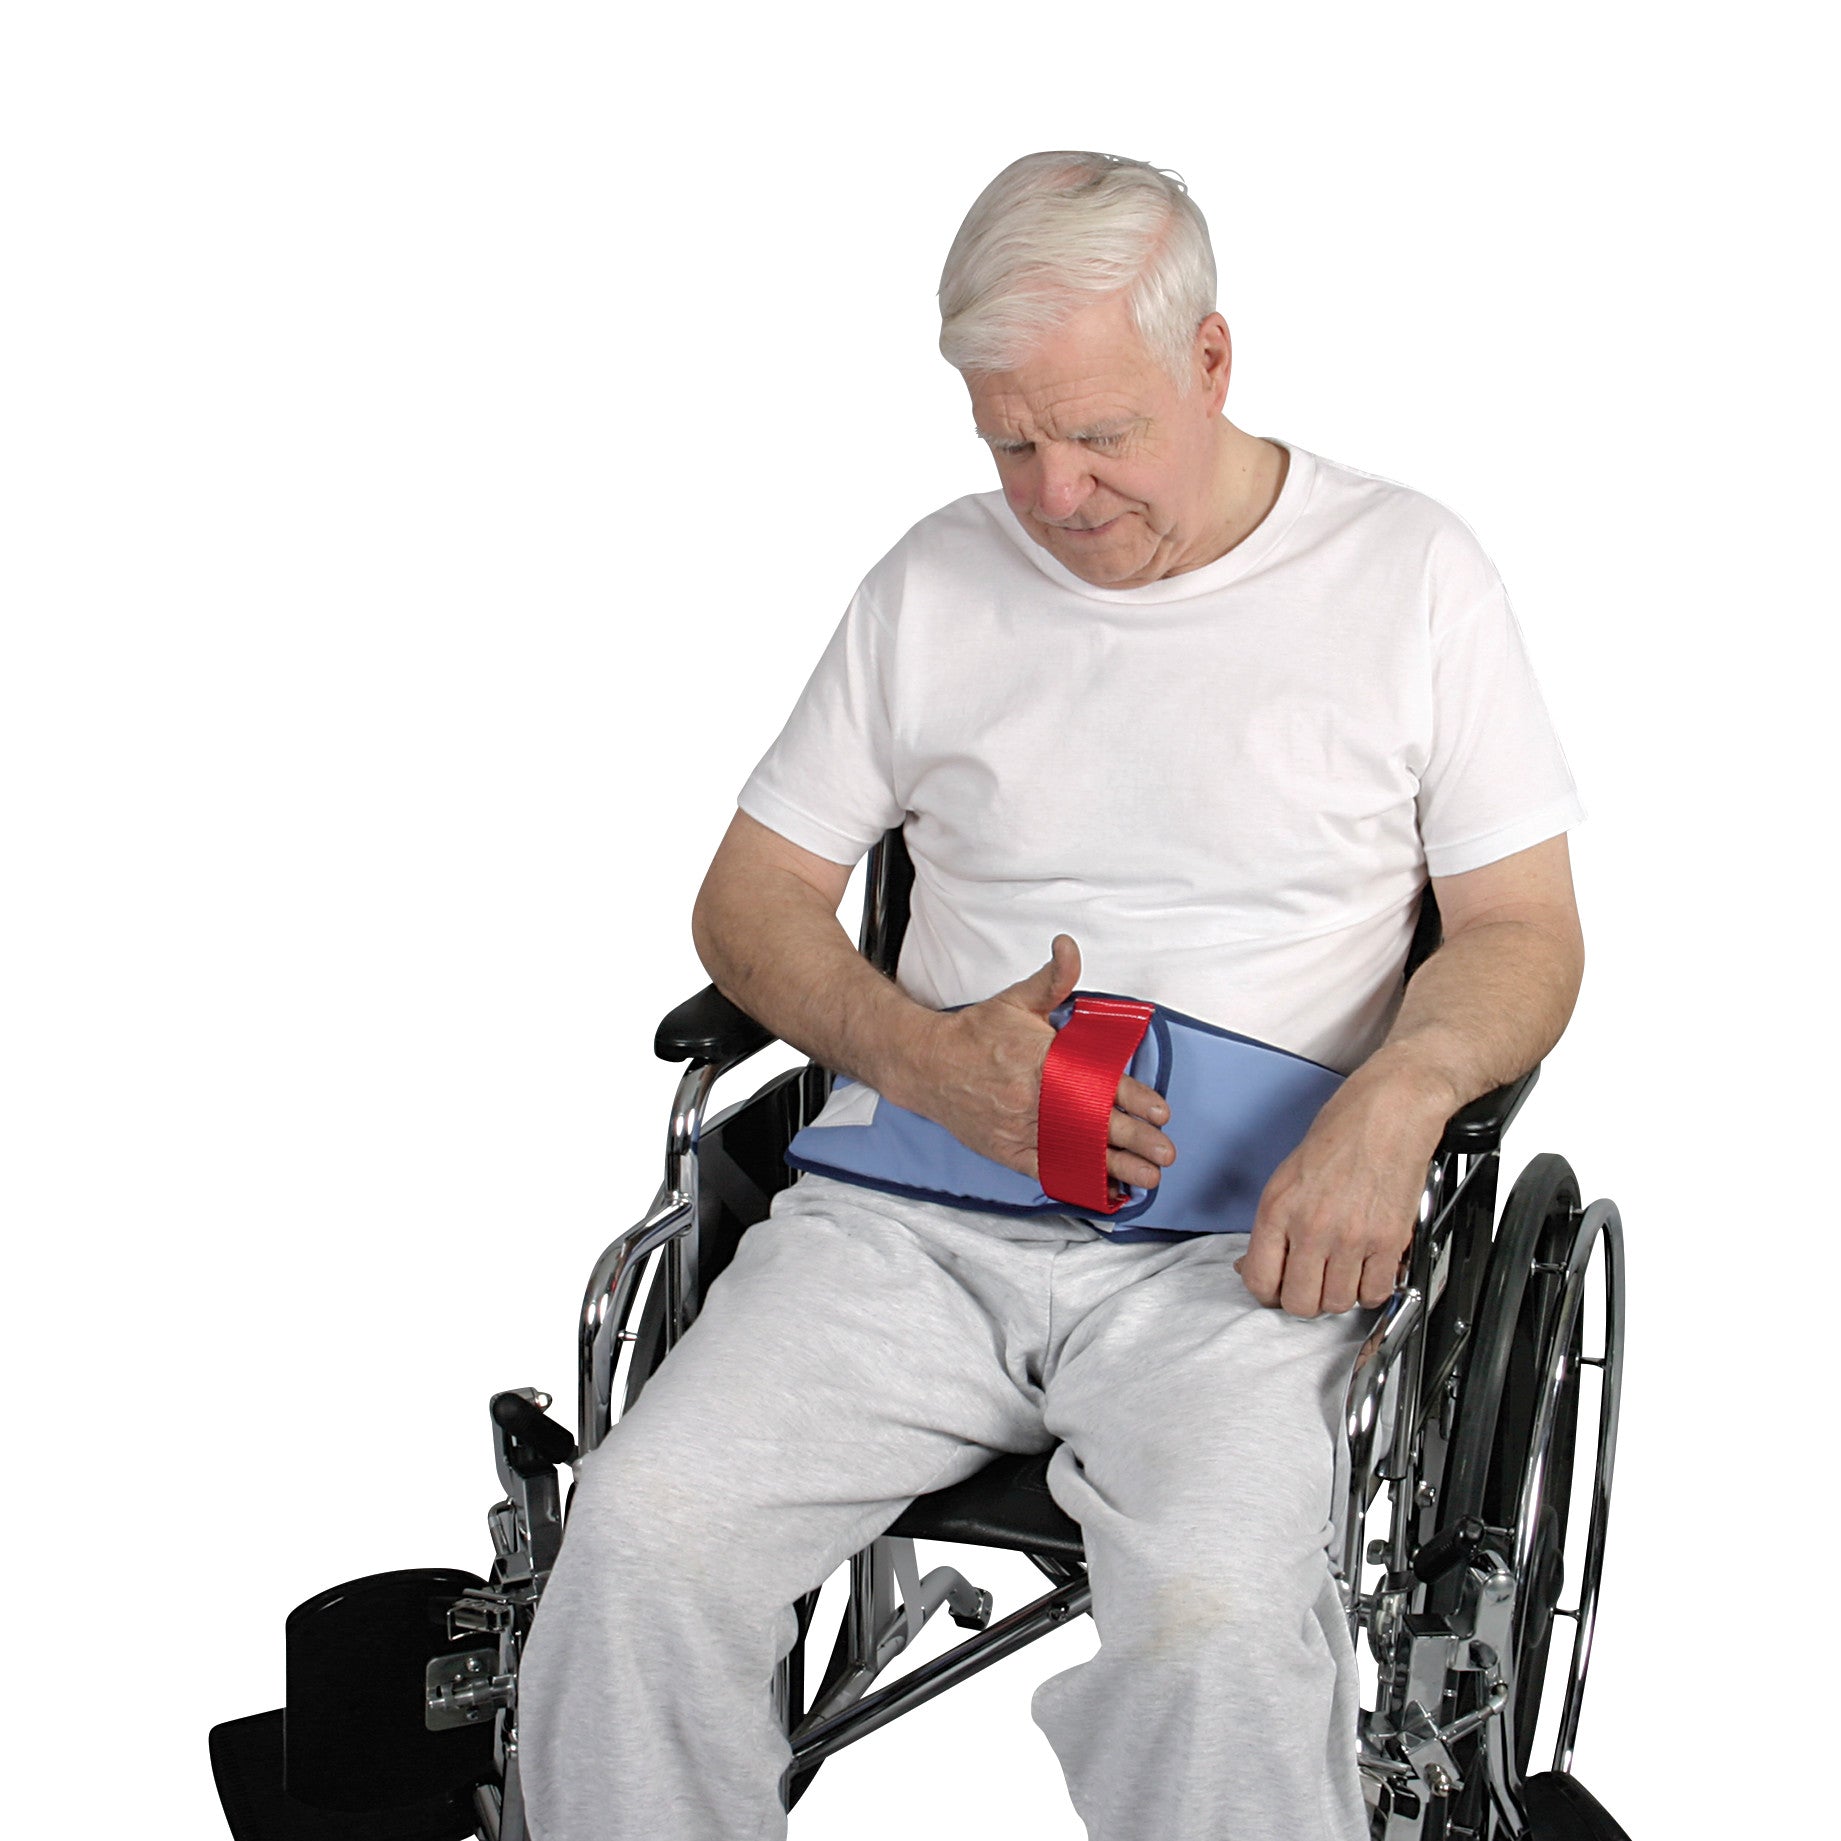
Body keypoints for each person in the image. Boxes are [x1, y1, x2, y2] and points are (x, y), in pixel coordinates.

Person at [517, 150, 1586, 1841]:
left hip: (1244, 1253)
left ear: (1211, 362)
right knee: (640, 1541)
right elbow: (748, 905)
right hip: (910, 1223)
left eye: (1099, 435)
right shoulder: (933, 582)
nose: (1055, 492)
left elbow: (1523, 928)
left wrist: (1395, 1098)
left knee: (1220, 1619)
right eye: (1010, 443)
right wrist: (927, 1062)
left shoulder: (1408, 574)